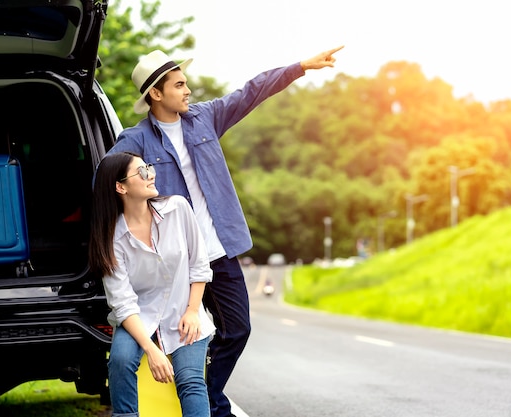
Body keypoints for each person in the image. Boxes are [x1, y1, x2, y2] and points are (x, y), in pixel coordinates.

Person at [106, 45, 344, 417]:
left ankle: (209, 392)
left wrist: (299, 68)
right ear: (156, 93)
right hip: (176, 262)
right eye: (180, 84)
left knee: (238, 329)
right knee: (176, 335)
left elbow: (251, 91)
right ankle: (205, 402)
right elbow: (106, 180)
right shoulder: (135, 142)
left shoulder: (206, 118)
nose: (188, 91)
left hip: (219, 248)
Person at [88, 151, 216, 417]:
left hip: (184, 310)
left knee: (190, 379)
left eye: (149, 168)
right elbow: (122, 302)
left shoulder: (178, 208)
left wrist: (193, 311)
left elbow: (200, 265)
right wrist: (151, 349)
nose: (152, 174)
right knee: (121, 362)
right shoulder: (112, 239)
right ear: (120, 187)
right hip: (139, 316)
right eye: (142, 172)